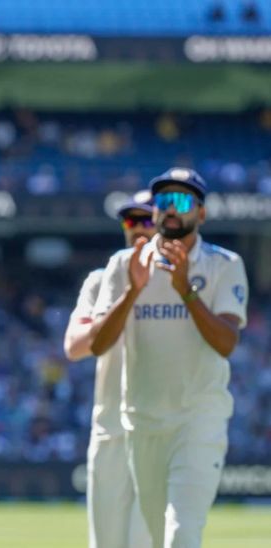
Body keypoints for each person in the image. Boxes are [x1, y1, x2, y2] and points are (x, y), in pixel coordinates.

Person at [90, 168, 248, 548]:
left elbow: (226, 343)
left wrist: (186, 292)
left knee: (181, 535)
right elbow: (98, 345)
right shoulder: (125, 264)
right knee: (157, 539)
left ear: (202, 213)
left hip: (198, 420)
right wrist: (132, 290)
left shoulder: (224, 265)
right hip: (141, 423)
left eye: (181, 201)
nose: (170, 210)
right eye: (163, 202)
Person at [64, 190, 154, 548]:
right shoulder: (100, 281)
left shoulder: (182, 282)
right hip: (110, 431)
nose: (138, 228)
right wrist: (128, 294)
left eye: (147, 219)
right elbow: (75, 346)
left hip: (159, 431)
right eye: (131, 220)